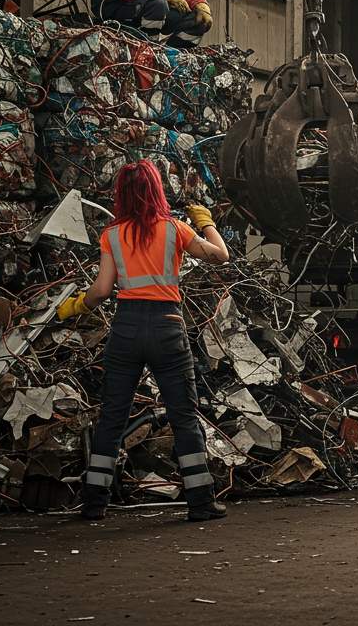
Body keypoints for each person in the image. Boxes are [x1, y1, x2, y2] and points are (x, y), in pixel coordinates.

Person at [56, 160, 231, 521]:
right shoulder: (175, 230)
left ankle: (94, 503)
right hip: (167, 327)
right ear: (157, 189)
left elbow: (102, 290)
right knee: (183, 415)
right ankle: (200, 502)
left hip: (127, 328)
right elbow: (221, 256)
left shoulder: (112, 235)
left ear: (121, 194)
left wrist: (75, 307)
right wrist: (206, 221)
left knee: (113, 417)